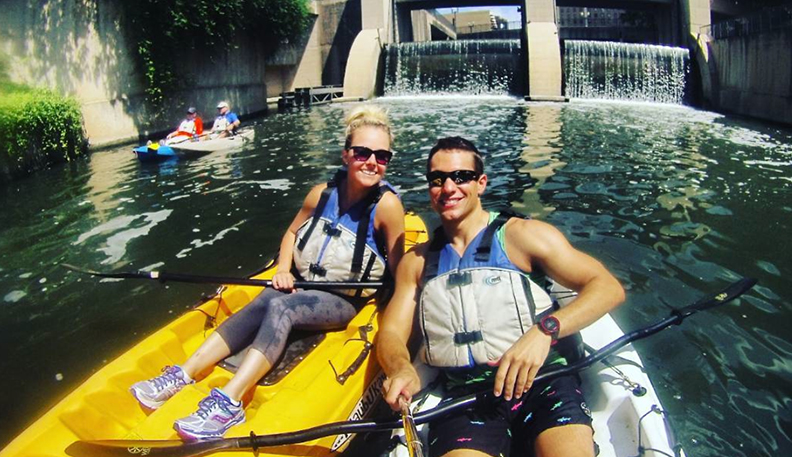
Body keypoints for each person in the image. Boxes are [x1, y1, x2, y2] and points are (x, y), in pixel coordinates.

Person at [130, 105, 406, 440]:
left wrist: (393, 315)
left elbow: (398, 270)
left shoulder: (387, 207)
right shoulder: (321, 194)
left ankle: (229, 402)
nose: (372, 162)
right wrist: (284, 268)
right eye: (363, 152)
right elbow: (291, 234)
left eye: (382, 155)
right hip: (302, 284)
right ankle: (184, 373)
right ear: (346, 155)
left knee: (282, 307)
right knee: (265, 299)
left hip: (340, 300)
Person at [377, 136, 626, 457]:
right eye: (437, 180)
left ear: (481, 183)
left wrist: (544, 330)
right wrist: (400, 368)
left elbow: (606, 287)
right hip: (468, 399)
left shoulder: (524, 236)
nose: (448, 187)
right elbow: (392, 332)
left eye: (460, 177)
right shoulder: (416, 263)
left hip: (543, 384)